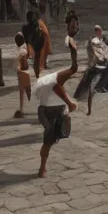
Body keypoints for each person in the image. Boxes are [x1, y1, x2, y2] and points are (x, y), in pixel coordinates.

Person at [34, 40, 79, 178]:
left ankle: (42, 168)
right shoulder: (55, 80)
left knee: (48, 140)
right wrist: (69, 103)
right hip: (53, 112)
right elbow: (71, 70)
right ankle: (42, 169)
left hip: (44, 111)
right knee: (48, 141)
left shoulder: (42, 81)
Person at [14, 33, 32, 118]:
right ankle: (21, 109)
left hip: (23, 72)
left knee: (23, 91)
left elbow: (23, 64)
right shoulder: (24, 47)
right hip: (24, 71)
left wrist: (20, 71)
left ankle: (22, 109)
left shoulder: (22, 51)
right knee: (25, 91)